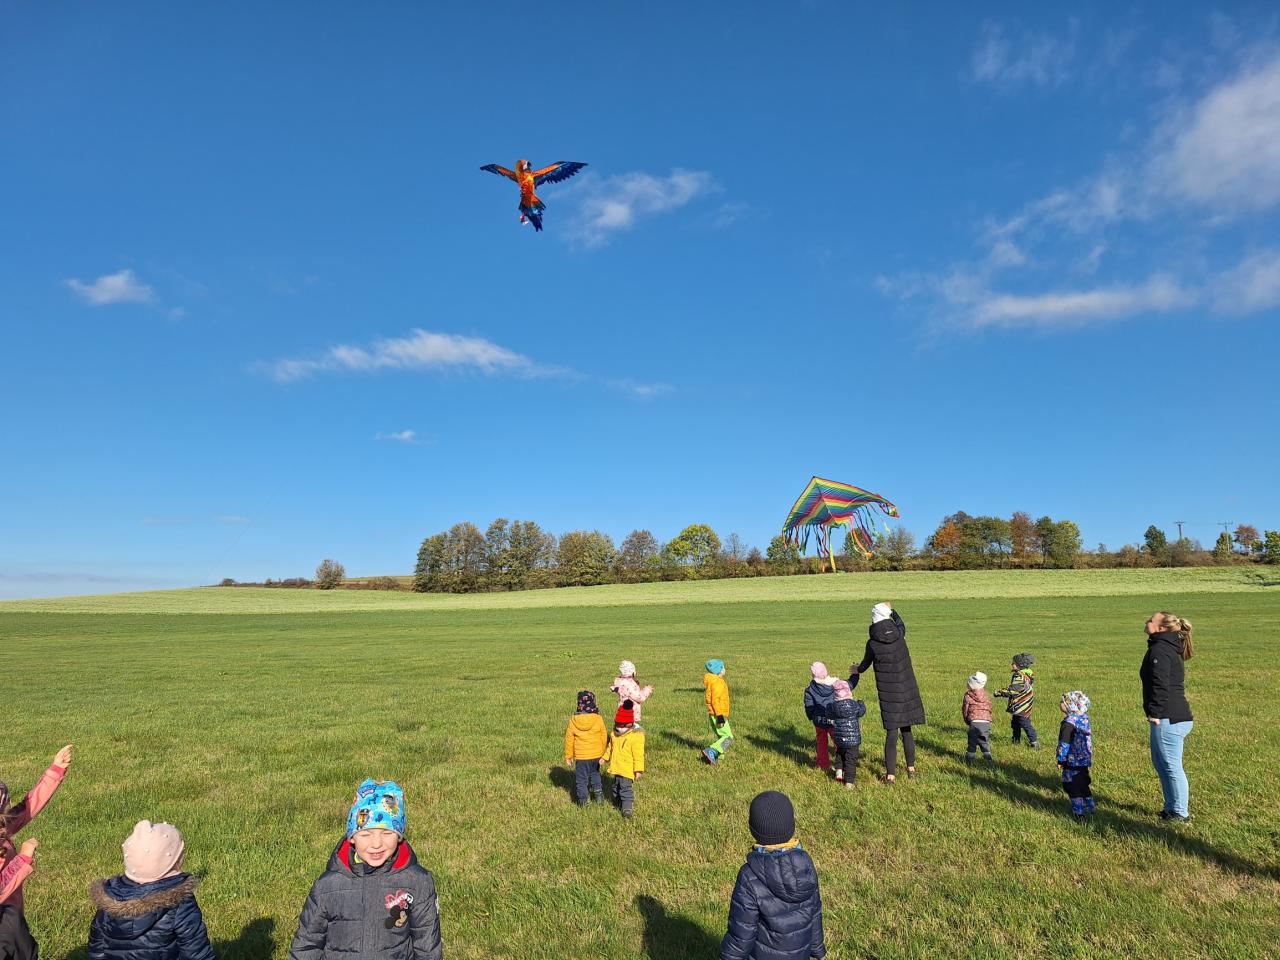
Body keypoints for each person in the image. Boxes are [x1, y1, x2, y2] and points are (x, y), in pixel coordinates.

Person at [289, 778, 443, 959]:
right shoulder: (327, 886)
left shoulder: (418, 883)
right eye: (366, 834)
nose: (376, 844)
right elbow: (307, 944)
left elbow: (427, 948)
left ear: (399, 836)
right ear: (352, 837)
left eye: (387, 833)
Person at [87, 820, 215, 960]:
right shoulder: (180, 902)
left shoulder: (110, 898)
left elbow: (97, 948)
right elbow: (196, 953)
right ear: (173, 862)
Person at [720, 791, 826, 960]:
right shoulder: (805, 865)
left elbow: (741, 933)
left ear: (753, 829)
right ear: (791, 826)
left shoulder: (749, 876)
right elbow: (814, 913)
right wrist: (818, 949)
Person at [0, 743, 72, 960]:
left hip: (10, 920)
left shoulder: (2, 827)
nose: (7, 816)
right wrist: (23, 859)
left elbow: (28, 807)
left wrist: (55, 770)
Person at [849, 603, 925, 784]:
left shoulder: (872, 643)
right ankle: (911, 769)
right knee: (907, 730)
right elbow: (901, 623)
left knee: (892, 734)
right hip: (907, 690)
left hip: (889, 694)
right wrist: (893, 611)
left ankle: (890, 775)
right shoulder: (899, 634)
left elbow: (864, 665)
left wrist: (855, 669)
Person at [1141, 611, 1195, 822]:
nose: (1147, 621)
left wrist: (1155, 712)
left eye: (1151, 620)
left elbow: (1160, 684)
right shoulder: (1164, 647)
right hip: (1170, 717)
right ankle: (1171, 808)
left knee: (1171, 766)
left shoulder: (1160, 650)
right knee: (1162, 764)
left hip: (1168, 718)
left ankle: (1180, 813)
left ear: (1161, 628)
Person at [564, 690, 609, 805]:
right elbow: (604, 736)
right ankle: (599, 795)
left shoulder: (573, 720)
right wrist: (604, 753)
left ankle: (583, 801)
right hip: (596, 755)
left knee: (581, 779)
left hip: (581, 757)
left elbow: (569, 739)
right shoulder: (598, 718)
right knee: (595, 774)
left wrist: (569, 756)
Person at [1056, 691, 1095, 821]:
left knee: (1071, 785)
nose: (1061, 703)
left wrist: (1061, 759)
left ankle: (1079, 813)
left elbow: (1064, 743)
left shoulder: (1068, 723)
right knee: (1083, 782)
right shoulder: (1083, 718)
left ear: (1071, 705)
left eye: (1063, 702)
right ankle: (1090, 807)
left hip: (1071, 760)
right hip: (1084, 758)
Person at [603, 701, 645, 819]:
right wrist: (604, 758)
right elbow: (610, 748)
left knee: (625, 789)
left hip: (627, 769)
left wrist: (638, 770)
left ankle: (627, 809)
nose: (619, 728)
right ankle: (617, 804)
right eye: (618, 725)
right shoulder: (614, 735)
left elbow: (638, 755)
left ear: (630, 725)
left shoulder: (635, 737)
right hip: (616, 768)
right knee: (615, 788)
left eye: (623, 726)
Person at [994, 653, 1039, 749]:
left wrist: (1000, 692)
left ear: (1020, 665)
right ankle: (1015, 740)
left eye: (1014, 663)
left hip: (1021, 704)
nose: (1012, 664)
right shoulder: (1027, 674)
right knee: (1015, 722)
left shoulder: (1019, 676)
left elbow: (1014, 690)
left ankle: (1034, 741)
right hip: (1025, 702)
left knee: (1024, 722)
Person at [829, 680, 865, 788]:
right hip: (853, 739)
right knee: (850, 760)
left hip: (839, 738)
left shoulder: (833, 706)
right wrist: (861, 703)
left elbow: (828, 714)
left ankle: (839, 772)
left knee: (839, 754)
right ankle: (849, 782)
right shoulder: (854, 705)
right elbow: (861, 712)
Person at [803, 663, 837, 771]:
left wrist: (811, 716)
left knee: (821, 743)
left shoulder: (810, 689)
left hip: (819, 720)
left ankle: (823, 764)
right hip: (834, 719)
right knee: (838, 740)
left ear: (813, 675)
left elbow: (809, 706)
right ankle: (842, 762)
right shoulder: (834, 685)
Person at [703, 659, 733, 765]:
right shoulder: (717, 683)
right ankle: (712, 750)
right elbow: (715, 700)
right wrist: (720, 716)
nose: (724, 669)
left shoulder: (713, 681)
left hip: (714, 714)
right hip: (719, 714)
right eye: (723, 667)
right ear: (718, 670)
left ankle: (718, 756)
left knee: (722, 736)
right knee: (728, 737)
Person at [962, 672, 994, 763]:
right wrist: (988, 717)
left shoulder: (968, 696)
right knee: (984, 740)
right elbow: (990, 707)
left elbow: (965, 709)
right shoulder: (986, 695)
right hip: (986, 722)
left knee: (972, 741)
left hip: (974, 722)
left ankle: (969, 758)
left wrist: (966, 719)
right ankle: (987, 756)